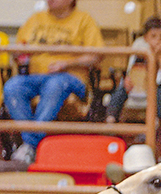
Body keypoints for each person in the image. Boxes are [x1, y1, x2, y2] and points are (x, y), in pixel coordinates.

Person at [4, 0, 103, 164]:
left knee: (55, 84)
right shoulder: (35, 19)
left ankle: (29, 145)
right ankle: (32, 145)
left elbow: (96, 55)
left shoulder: (84, 20)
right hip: (36, 77)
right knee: (12, 86)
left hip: (71, 78)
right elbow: (20, 48)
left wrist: (66, 64)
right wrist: (19, 55)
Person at [105, 17, 161, 124]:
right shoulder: (140, 56)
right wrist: (128, 82)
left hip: (159, 91)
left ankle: (154, 122)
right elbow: (132, 77)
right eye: (153, 36)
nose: (158, 40)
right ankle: (110, 120)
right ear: (146, 38)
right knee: (121, 90)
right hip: (141, 90)